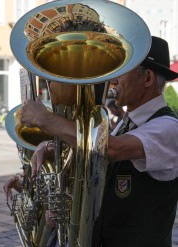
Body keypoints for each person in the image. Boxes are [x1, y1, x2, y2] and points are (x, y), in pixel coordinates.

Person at [19, 36, 178, 246]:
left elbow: (108, 148)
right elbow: (95, 154)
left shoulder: (168, 127)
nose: (112, 81)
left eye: (121, 73)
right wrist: (52, 147)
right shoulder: (126, 123)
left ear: (147, 78)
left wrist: (43, 118)